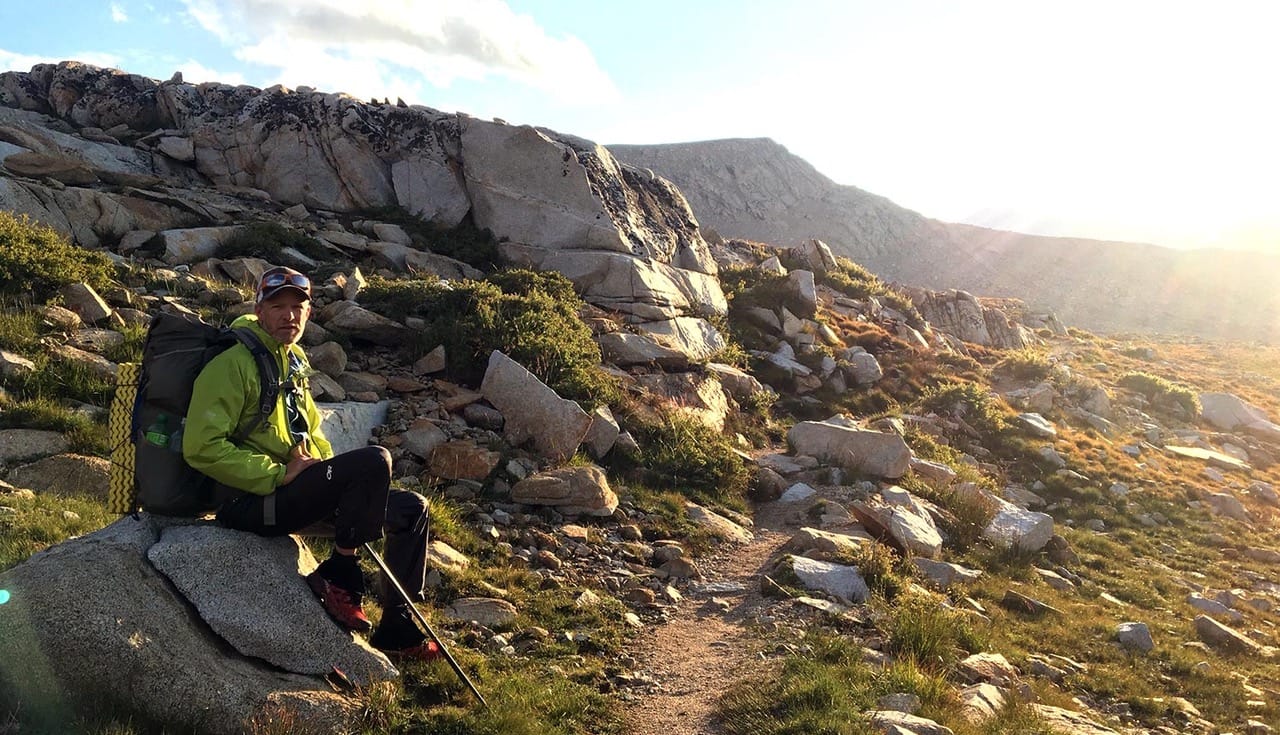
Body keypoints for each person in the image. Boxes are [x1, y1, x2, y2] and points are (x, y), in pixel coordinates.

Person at [182, 265, 439, 662]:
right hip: (248, 502)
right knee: (375, 459)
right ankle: (340, 573)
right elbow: (201, 447)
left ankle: (398, 630)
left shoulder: (293, 361)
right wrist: (277, 473)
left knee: (411, 510)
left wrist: (320, 468)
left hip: (292, 493)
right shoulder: (232, 364)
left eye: (297, 307)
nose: (289, 315)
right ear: (260, 310)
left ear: (309, 312)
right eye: (278, 306)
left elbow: (311, 432)